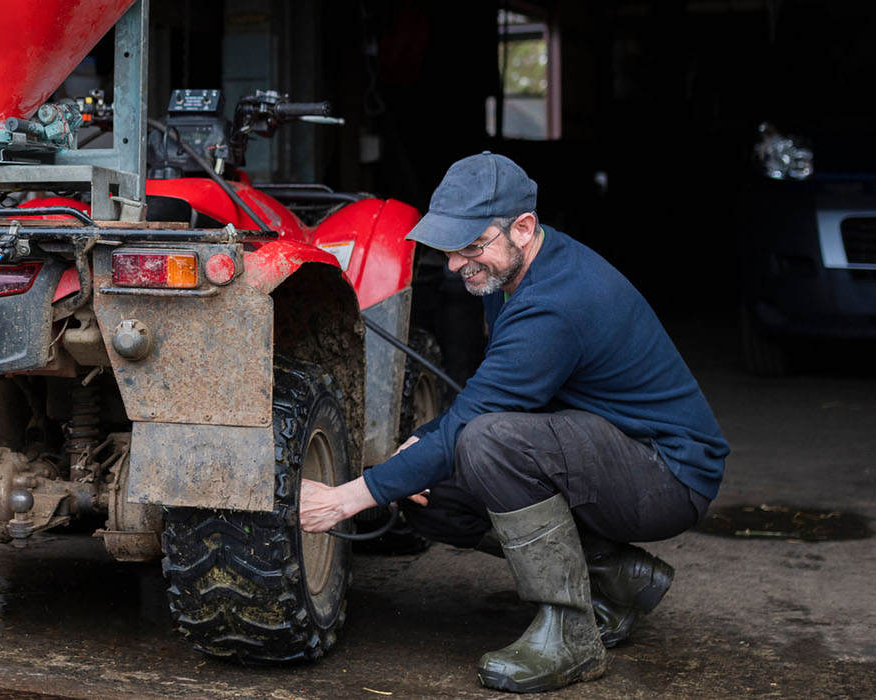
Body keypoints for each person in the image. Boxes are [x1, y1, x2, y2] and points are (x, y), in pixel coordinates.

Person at [300, 152, 728, 693]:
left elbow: (487, 420)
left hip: (667, 472)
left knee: (487, 444)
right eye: (449, 251)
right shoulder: (512, 276)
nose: (456, 266)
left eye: (471, 248)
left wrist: (348, 498)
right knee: (432, 496)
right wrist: (418, 451)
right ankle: (615, 579)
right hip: (607, 447)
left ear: (523, 228)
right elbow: (500, 390)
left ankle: (571, 635)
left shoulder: (555, 303)